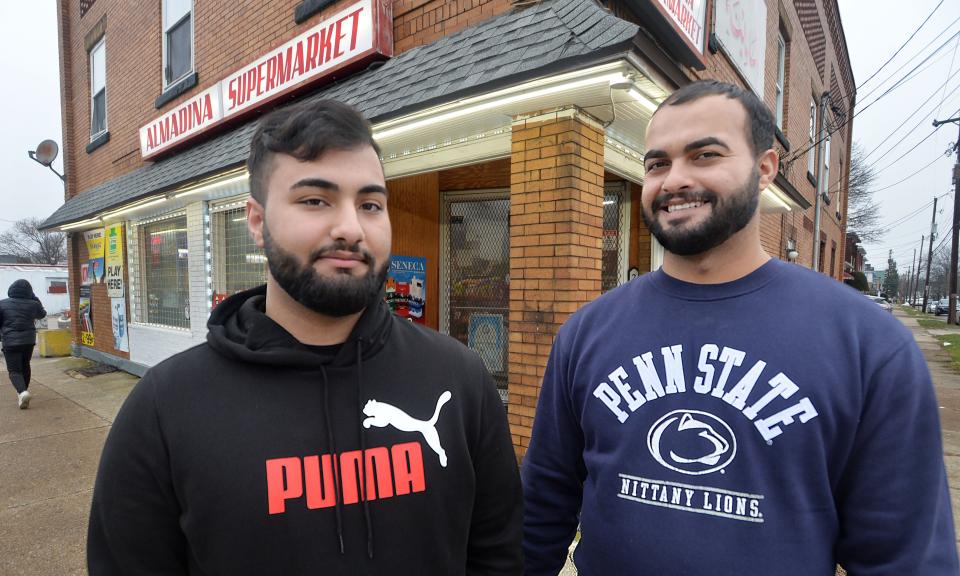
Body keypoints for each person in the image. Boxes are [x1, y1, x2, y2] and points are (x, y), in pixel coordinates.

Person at [521, 80, 958, 575]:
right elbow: (543, 504)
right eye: (657, 163)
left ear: (765, 168)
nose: (674, 180)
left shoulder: (867, 344)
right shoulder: (586, 333)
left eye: (705, 155)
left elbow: (904, 556)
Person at [88, 99, 523, 575]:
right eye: (315, 200)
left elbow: (499, 554)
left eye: (371, 204)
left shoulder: (460, 379)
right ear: (257, 221)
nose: (350, 228)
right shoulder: (165, 408)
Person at [0, 279, 46, 409]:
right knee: (25, 366)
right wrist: (35, 298)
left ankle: (22, 392)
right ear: (29, 292)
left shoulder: (2, 304)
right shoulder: (33, 304)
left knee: (14, 370)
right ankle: (23, 393)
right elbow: (42, 314)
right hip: (28, 340)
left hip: (10, 341)